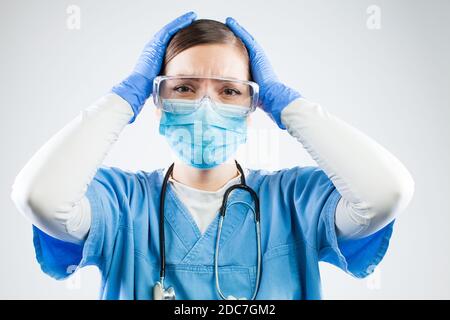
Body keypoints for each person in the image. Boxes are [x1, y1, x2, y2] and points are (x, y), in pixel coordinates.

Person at [10, 11, 415, 300]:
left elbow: (385, 193)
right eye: (184, 88)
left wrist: (287, 106)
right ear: (156, 100)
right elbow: (40, 198)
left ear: (254, 105)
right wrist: (122, 98)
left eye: (230, 91)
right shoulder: (120, 203)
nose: (206, 105)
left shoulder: (295, 201)